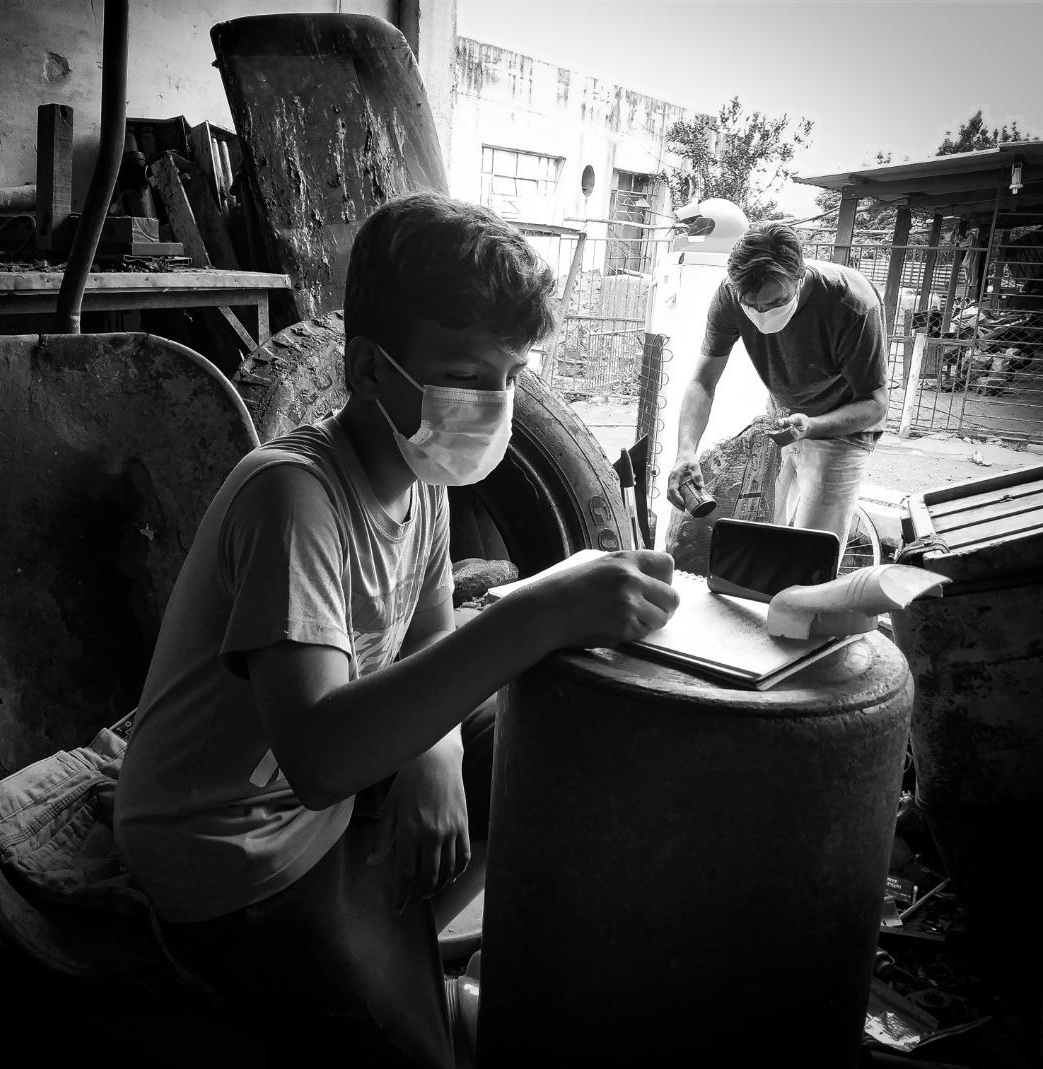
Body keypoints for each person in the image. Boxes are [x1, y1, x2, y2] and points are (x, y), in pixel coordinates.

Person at [113, 190, 679, 1066]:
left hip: (325, 797)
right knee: (415, 1054)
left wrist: (436, 754)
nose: (492, 403)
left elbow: (429, 635)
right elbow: (320, 758)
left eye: (510, 376)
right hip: (231, 850)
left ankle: (490, 943)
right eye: (463, 374)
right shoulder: (292, 496)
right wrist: (541, 608)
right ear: (367, 368)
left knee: (553, 734)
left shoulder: (423, 482)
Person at [667, 221, 889, 556]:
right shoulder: (730, 293)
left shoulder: (851, 304)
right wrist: (685, 451)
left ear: (799, 276)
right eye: (751, 304)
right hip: (781, 421)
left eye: (776, 301)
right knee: (759, 544)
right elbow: (703, 381)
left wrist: (812, 427)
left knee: (811, 559)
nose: (761, 313)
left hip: (843, 430)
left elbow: (875, 403)